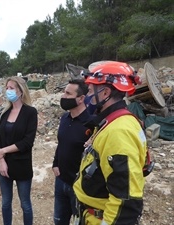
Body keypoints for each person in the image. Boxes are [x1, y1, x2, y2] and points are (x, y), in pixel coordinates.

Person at [74, 61, 147, 225]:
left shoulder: (119, 132)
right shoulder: (114, 121)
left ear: (105, 92)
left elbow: (126, 201)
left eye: (91, 91)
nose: (87, 97)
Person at [0, 76, 38, 225]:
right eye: (7, 88)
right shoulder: (4, 113)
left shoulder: (30, 113)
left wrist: (3, 151)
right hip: (4, 166)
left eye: (11, 88)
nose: (8, 91)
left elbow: (27, 142)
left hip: (22, 164)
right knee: (6, 203)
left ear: (20, 91)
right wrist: (1, 161)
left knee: (25, 203)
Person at [52, 79, 93, 225]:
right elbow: (61, 143)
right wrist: (55, 163)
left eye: (68, 93)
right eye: (64, 92)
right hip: (60, 180)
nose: (63, 96)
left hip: (79, 187)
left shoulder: (91, 124)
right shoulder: (64, 118)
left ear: (81, 98)